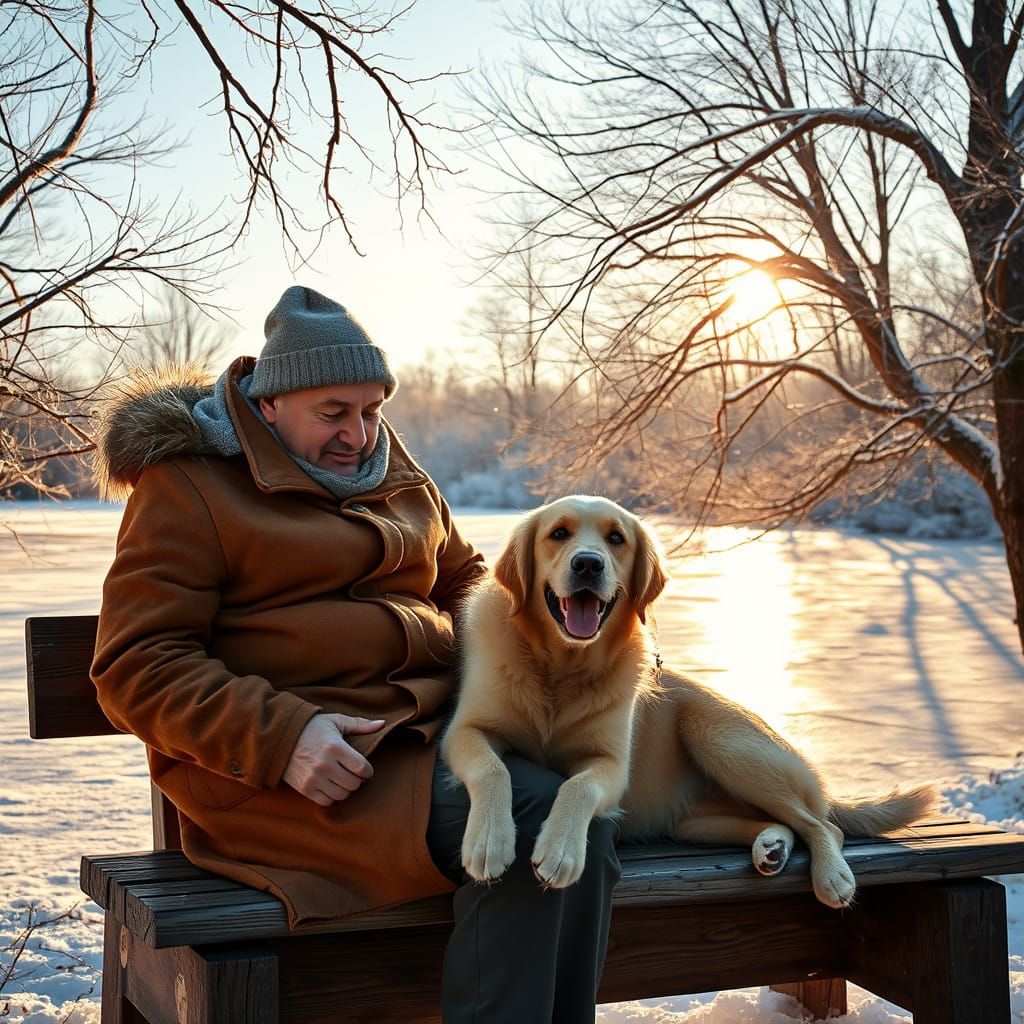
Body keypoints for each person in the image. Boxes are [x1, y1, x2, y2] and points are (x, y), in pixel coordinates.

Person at [90, 285, 620, 1023]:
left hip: (427, 745)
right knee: (535, 821)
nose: (359, 436)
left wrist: (572, 658)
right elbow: (136, 666)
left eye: (371, 411)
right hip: (293, 784)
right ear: (269, 404)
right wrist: (284, 736)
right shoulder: (191, 487)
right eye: (332, 414)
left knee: (586, 817)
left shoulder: (400, 481)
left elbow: (471, 588)